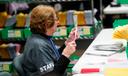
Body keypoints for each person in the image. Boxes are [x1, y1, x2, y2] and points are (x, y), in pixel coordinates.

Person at [22, 5, 79, 76]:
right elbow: (52, 74)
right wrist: (66, 55)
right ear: (47, 23)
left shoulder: (41, 37)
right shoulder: (39, 46)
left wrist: (67, 42)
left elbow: (53, 57)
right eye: (56, 19)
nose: (58, 23)